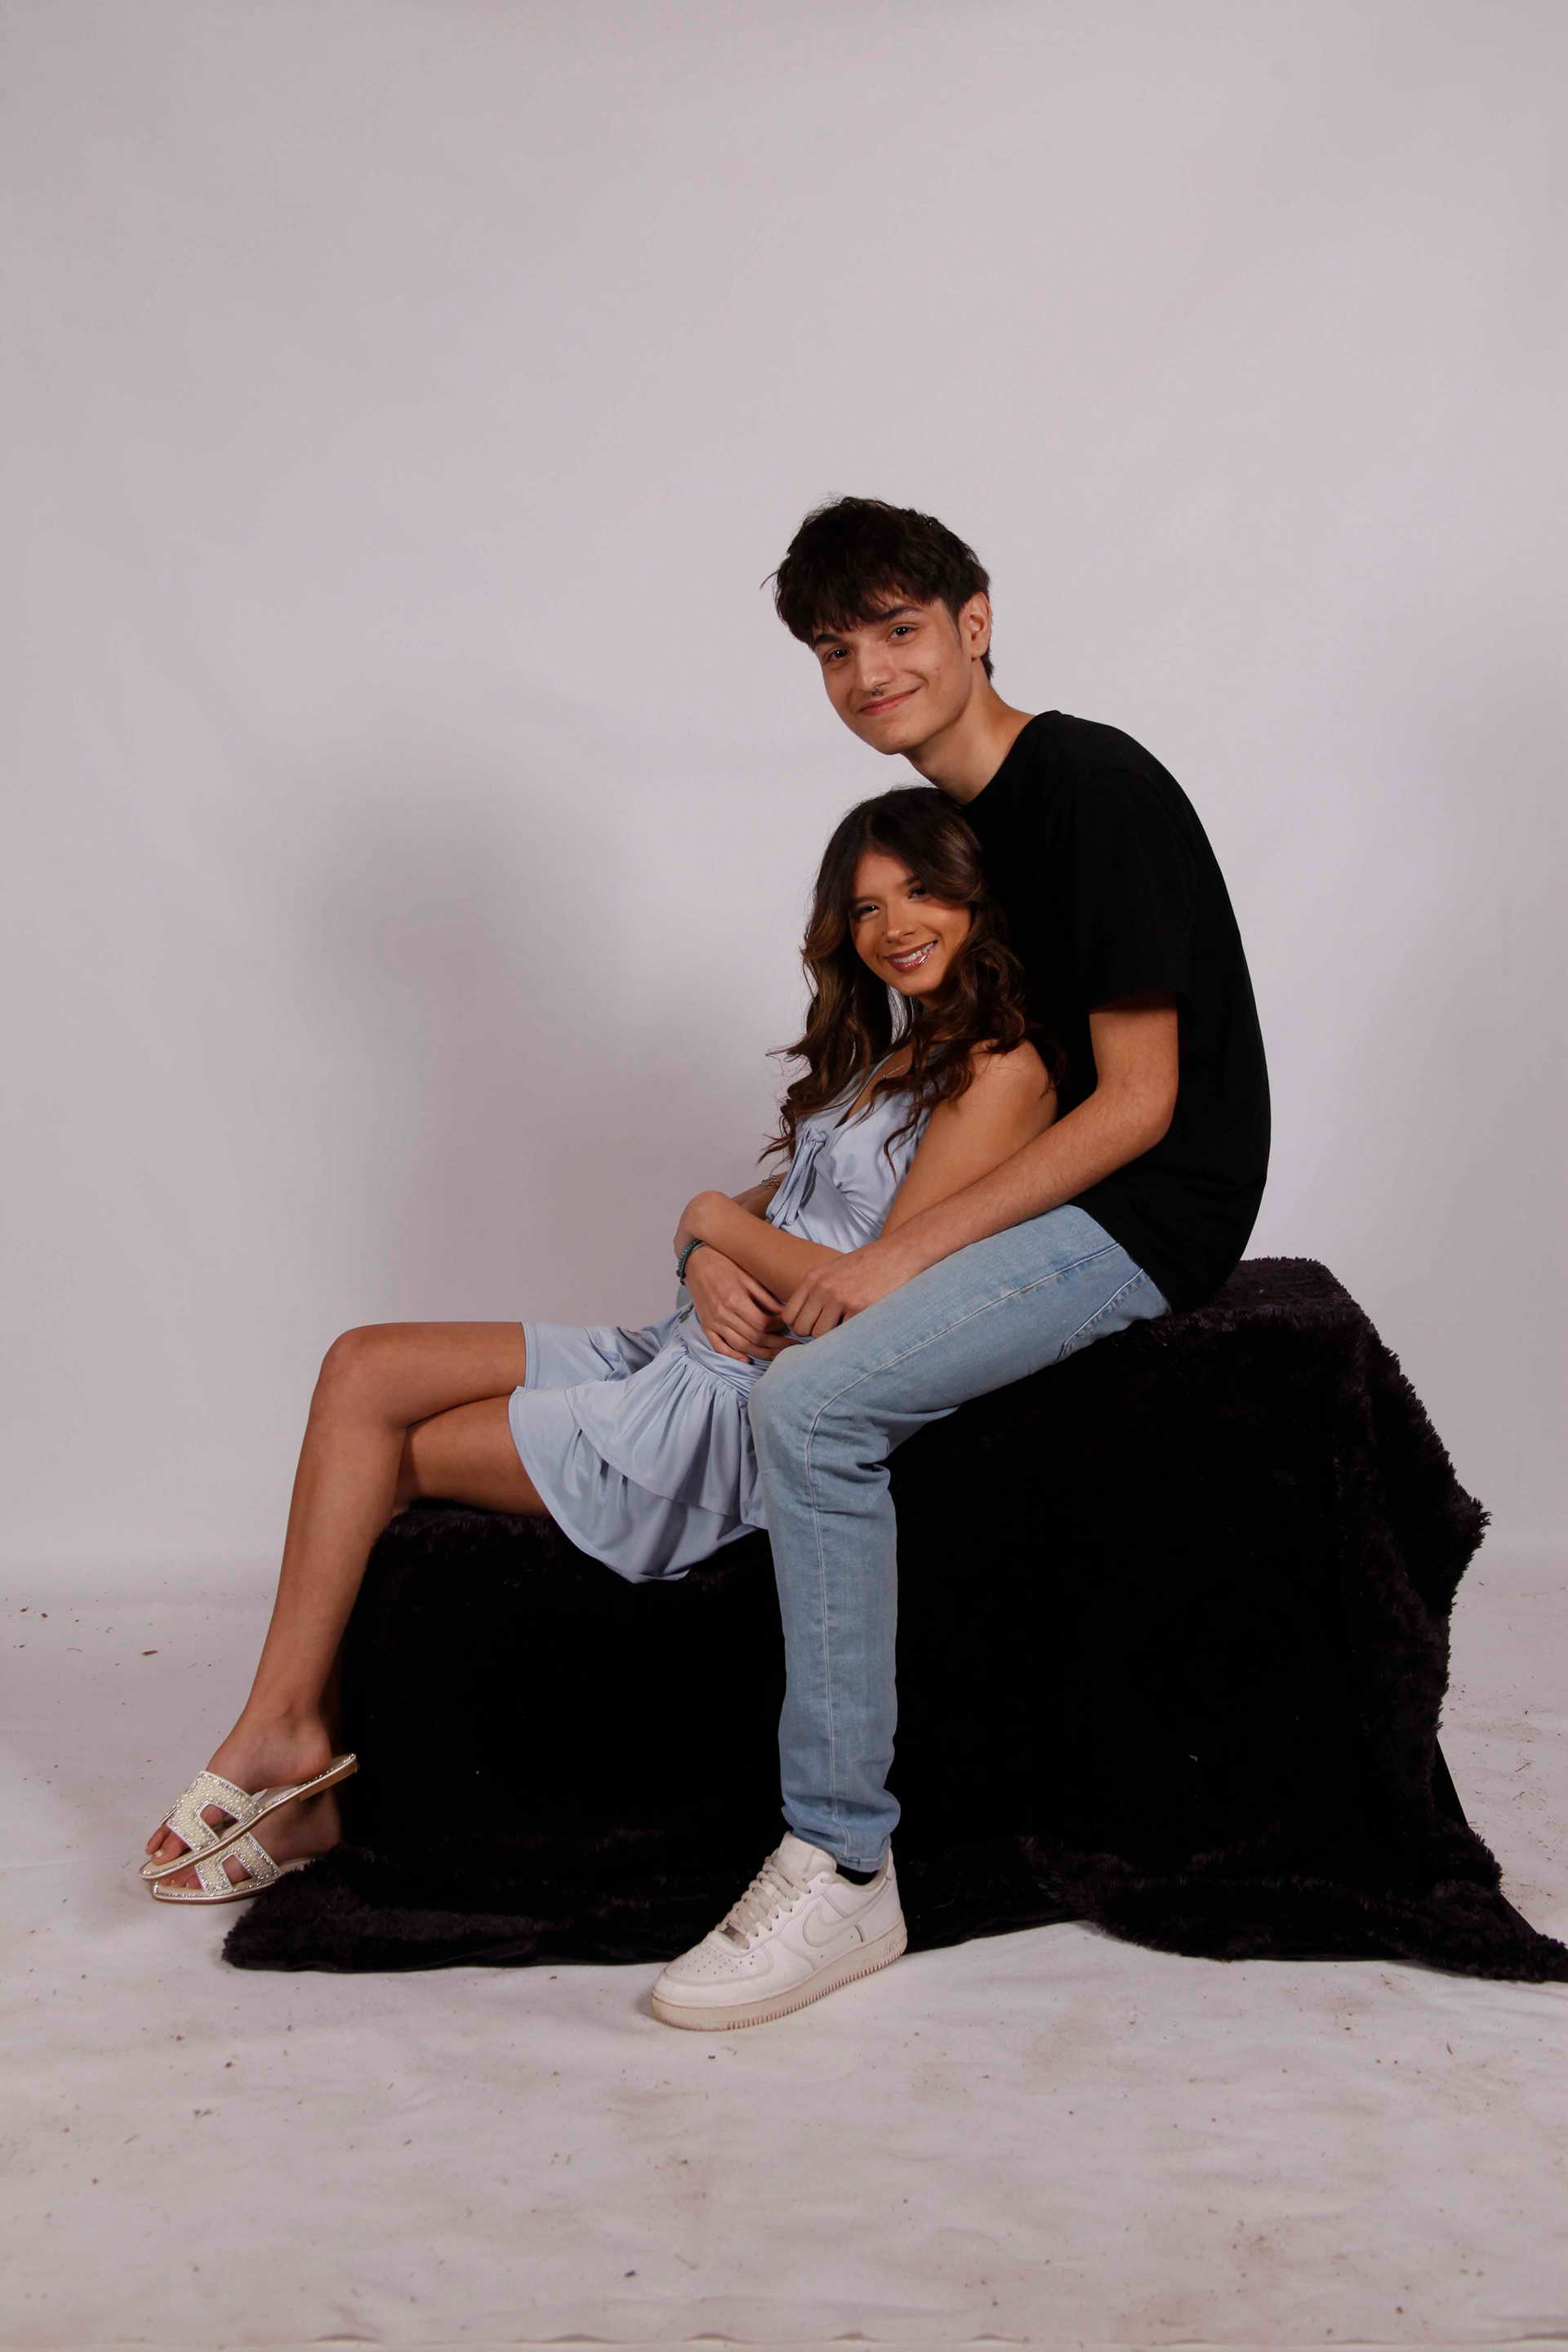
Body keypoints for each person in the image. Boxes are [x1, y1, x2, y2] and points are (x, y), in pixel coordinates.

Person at [140, 787, 1057, 1931]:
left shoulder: (1003, 1070)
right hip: (686, 1351)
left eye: (921, 891)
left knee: (392, 1458)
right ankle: (285, 1730)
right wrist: (704, 1251)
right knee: (360, 1365)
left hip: (738, 1416)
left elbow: (871, 1294)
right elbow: (770, 1214)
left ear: (976, 894)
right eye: (866, 907)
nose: (894, 926)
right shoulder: (901, 1054)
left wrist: (707, 1221)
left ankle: (290, 1753)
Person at [648, 496, 1269, 2031]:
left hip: (1148, 1210)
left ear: (975, 623)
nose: (868, 673)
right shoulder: (953, 838)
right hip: (1046, 1184)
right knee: (796, 1374)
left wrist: (899, 1261)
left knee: (812, 1408)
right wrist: (726, 1235)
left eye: (898, 630)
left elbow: (1142, 1103)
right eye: (833, 649)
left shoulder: (1094, 788)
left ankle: (843, 1865)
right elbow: (906, 1095)